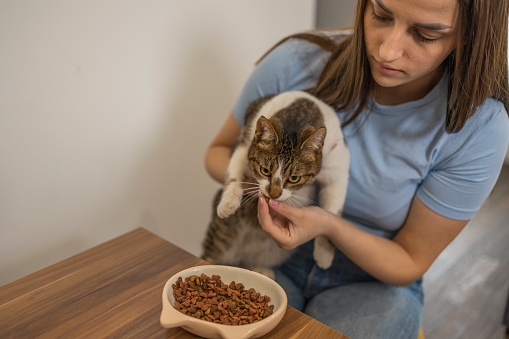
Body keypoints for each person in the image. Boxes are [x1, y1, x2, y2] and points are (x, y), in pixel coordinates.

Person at [205, 0, 509, 338]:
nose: (388, 51)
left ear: (468, 35)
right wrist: (264, 187)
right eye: (380, 15)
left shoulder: (480, 127)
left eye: (424, 35)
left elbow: (409, 260)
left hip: (372, 279)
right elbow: (218, 152)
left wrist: (326, 224)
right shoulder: (295, 61)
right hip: (266, 249)